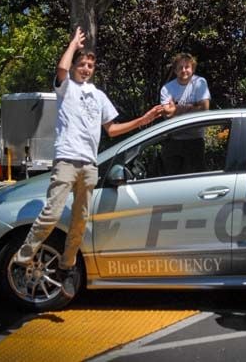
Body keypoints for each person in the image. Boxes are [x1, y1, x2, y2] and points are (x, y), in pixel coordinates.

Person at [14, 27, 164, 299]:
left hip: (89, 165)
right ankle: (23, 257)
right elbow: (61, 68)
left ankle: (66, 267)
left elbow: (112, 129)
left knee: (81, 220)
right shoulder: (66, 88)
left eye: (90, 65)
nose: (86, 68)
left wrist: (144, 120)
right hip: (66, 161)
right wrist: (73, 44)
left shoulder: (99, 95)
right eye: (82, 64)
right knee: (52, 213)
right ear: (74, 66)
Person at [160, 53, 211, 175]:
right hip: (174, 140)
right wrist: (193, 107)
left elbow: (205, 109)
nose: (184, 70)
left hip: (195, 139)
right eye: (180, 67)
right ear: (175, 70)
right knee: (171, 179)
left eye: (187, 67)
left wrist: (176, 108)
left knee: (197, 179)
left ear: (192, 68)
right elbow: (167, 114)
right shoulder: (167, 88)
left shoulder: (200, 82)